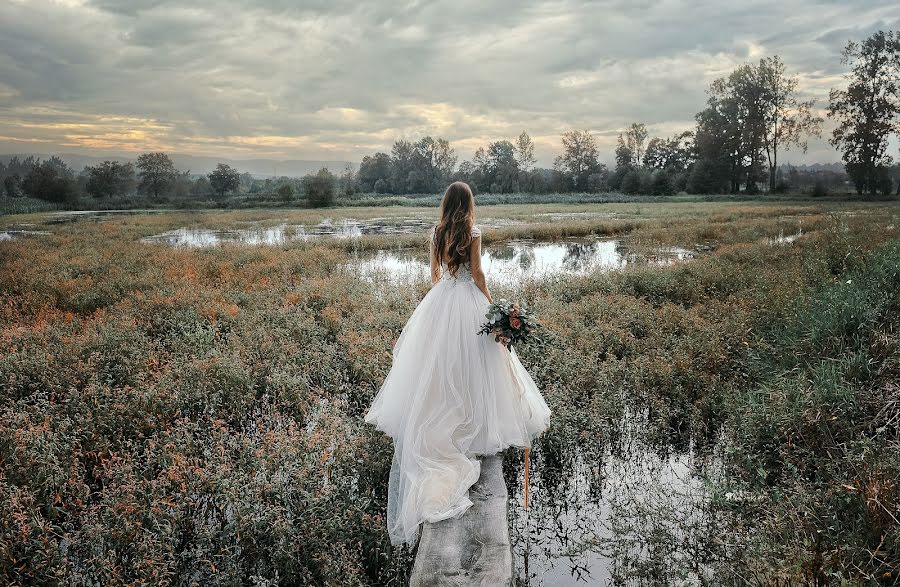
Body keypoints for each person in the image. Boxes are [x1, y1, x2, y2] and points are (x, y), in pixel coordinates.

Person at [364, 181, 551, 545]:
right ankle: (474, 425)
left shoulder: (436, 233)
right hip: (468, 301)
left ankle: (448, 421)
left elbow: (435, 273)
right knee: (479, 367)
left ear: (446, 203)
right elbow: (478, 274)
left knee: (441, 367)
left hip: (442, 299)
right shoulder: (472, 231)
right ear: (468, 204)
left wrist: (443, 293)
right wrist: (494, 306)